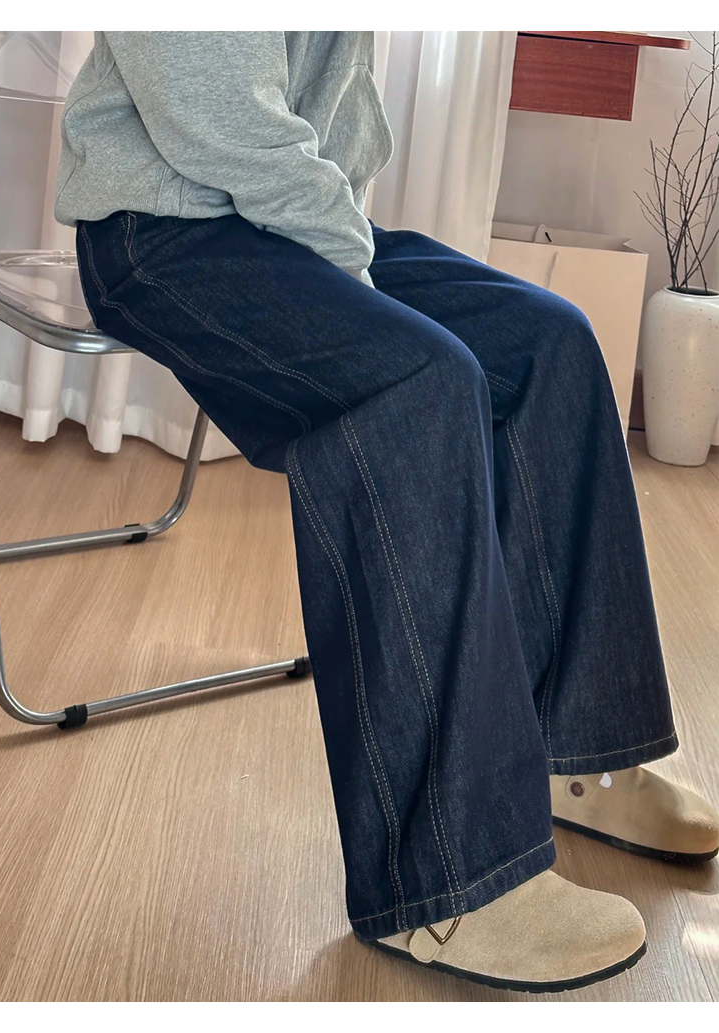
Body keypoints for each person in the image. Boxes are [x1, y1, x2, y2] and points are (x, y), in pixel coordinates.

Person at [56, 31, 718, 994]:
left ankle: (574, 753)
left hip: (282, 221)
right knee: (417, 380)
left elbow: (336, 111)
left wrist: (340, 247)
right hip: (159, 230)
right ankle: (442, 879)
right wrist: (354, 287)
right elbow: (216, 116)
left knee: (549, 342)